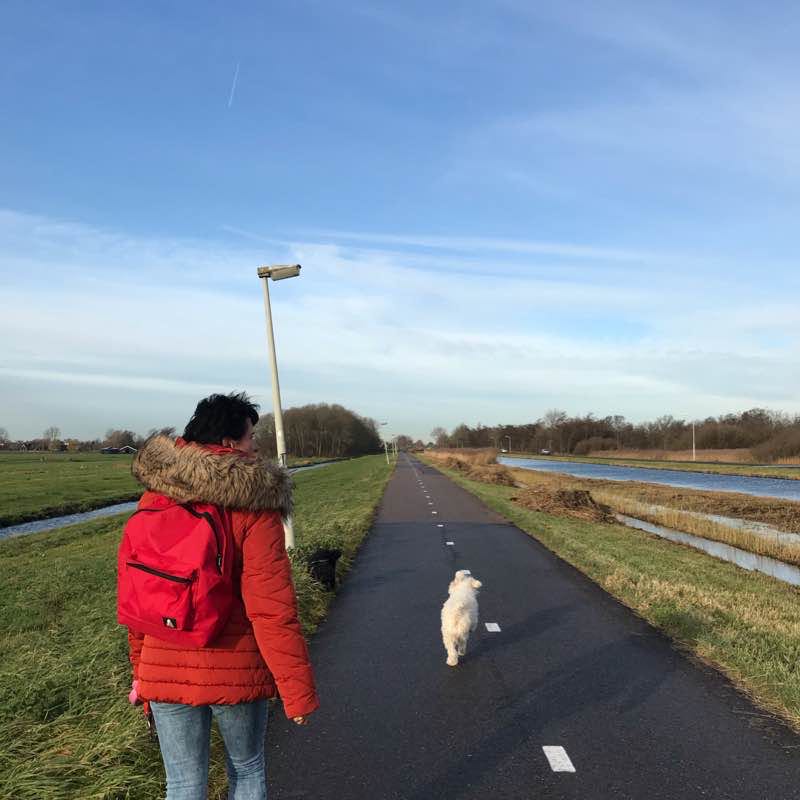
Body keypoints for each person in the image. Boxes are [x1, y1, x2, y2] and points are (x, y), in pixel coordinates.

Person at [125, 392, 318, 799]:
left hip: (164, 663)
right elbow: (272, 609)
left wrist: (141, 671)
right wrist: (296, 691)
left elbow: (139, 598)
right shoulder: (254, 504)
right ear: (230, 445)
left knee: (182, 783)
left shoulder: (155, 498)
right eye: (251, 437)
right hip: (236, 664)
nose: (255, 447)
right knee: (246, 769)